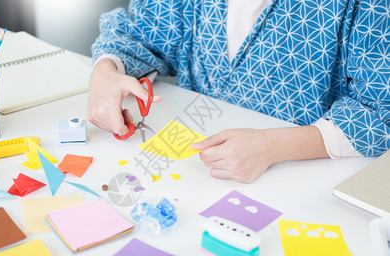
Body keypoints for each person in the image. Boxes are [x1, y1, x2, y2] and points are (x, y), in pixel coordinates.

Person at [87, 0, 390, 183]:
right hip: (193, 169)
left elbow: (380, 110)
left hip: (303, 177)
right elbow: (141, 32)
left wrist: (274, 147)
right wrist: (105, 72)